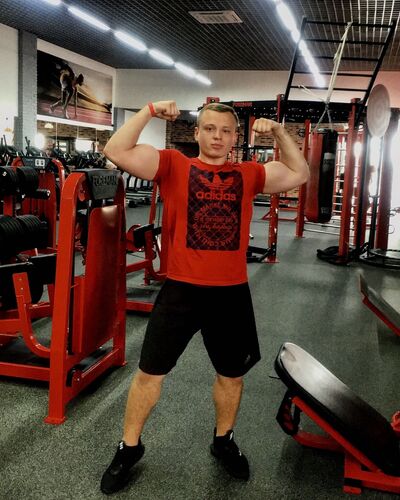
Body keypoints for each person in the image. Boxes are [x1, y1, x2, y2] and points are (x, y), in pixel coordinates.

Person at [100, 101, 309, 494]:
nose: (217, 137)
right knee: (149, 374)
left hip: (230, 293)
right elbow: (116, 149)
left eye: (226, 131)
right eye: (210, 129)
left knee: (231, 376)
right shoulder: (172, 165)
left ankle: (223, 440)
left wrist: (281, 132)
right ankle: (129, 447)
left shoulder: (250, 174)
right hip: (181, 290)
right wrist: (148, 111)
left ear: (235, 137)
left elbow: (300, 172)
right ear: (196, 133)